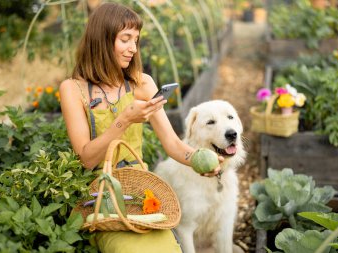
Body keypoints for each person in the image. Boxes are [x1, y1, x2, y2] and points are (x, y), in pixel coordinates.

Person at [59, 2, 222, 252]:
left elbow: (173, 145)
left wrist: (201, 161)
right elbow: (86, 159)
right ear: (102, 39)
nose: (133, 49)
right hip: (101, 195)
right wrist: (124, 119)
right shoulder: (73, 89)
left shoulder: (142, 83)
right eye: (125, 39)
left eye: (136, 40)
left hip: (141, 190)